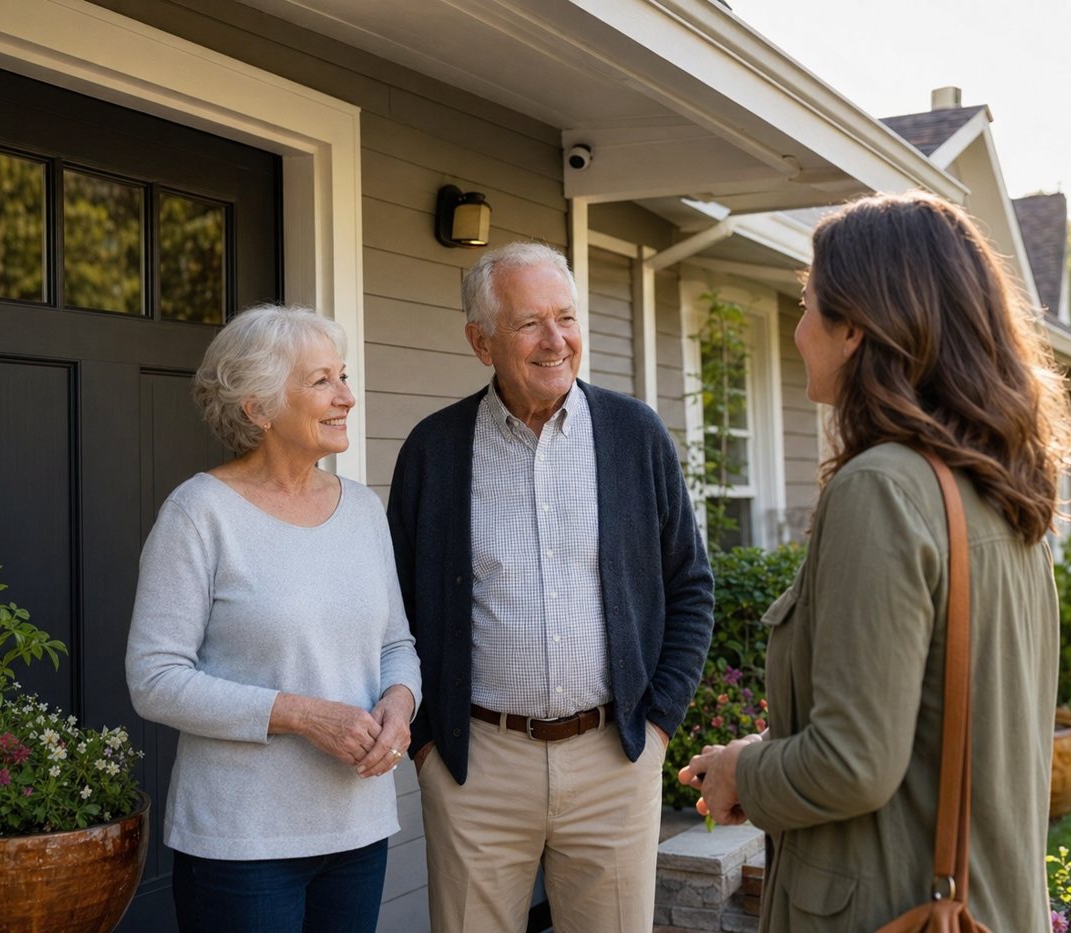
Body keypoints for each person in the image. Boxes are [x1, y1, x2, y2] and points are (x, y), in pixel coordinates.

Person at [680, 192, 1071, 932]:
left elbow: (852, 761)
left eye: (806, 304)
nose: (797, 330)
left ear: (854, 326)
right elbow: (921, 718)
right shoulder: (998, 485)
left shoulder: (881, 488)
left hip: (882, 909)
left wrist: (742, 769)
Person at [387, 241, 714, 933]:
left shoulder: (635, 435)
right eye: (529, 322)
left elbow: (690, 586)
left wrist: (655, 727)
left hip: (611, 756)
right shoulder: (433, 449)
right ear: (481, 341)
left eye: (565, 317)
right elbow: (397, 612)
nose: (554, 339)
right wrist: (426, 748)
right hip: (476, 766)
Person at [126, 304, 422, 933]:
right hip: (241, 843)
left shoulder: (363, 510)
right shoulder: (199, 514)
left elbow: (396, 642)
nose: (347, 397)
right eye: (322, 382)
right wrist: (301, 715)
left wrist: (401, 705)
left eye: (343, 376)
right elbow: (154, 678)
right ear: (256, 407)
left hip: (356, 827)